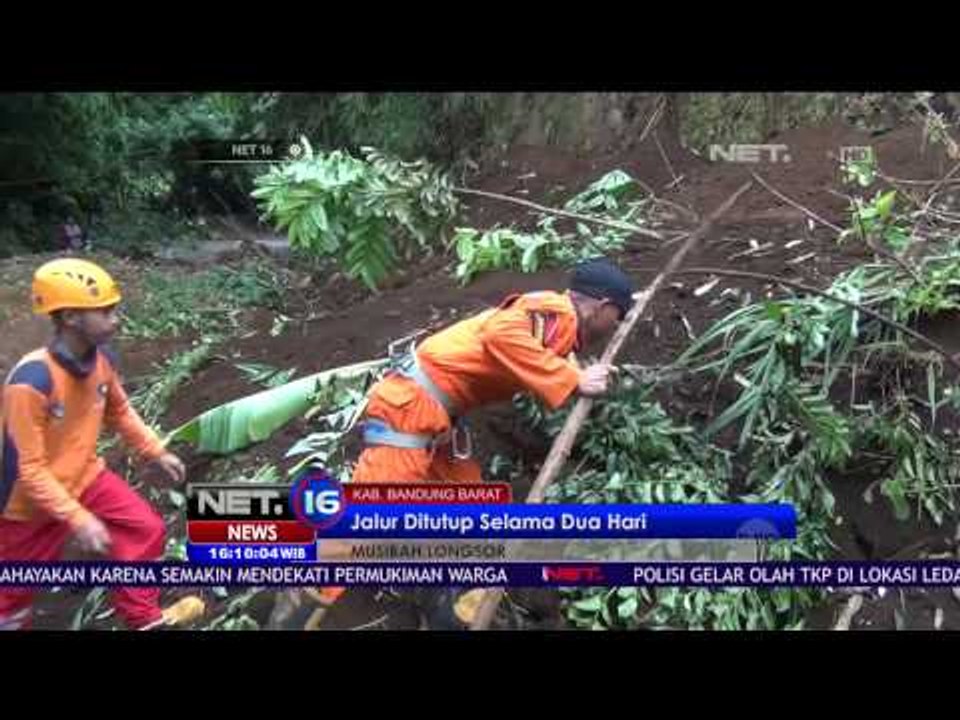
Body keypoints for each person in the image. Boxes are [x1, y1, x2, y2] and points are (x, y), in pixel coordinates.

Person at [287, 257, 634, 630]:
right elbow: (501, 332)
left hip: (435, 420)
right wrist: (572, 379)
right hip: (410, 411)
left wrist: (575, 372)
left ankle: (446, 602)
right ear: (601, 306)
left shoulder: (557, 325)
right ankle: (295, 611)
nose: (613, 328)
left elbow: (525, 346)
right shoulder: (558, 311)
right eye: (617, 317)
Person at [0, 259, 205, 630]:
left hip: (85, 477)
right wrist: (79, 520)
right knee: (12, 595)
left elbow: (120, 411)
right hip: (27, 504)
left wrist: (154, 451)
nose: (116, 319)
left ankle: (142, 618)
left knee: (145, 528)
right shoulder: (30, 382)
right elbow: (29, 470)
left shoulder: (101, 363)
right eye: (106, 312)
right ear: (70, 318)